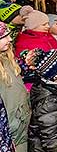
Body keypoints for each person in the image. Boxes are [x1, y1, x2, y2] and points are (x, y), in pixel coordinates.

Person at [0, 22, 31, 152]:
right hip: (9, 132)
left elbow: (21, 72)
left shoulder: (7, 58)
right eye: (4, 37)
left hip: (20, 123)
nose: (10, 39)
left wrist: (27, 62)